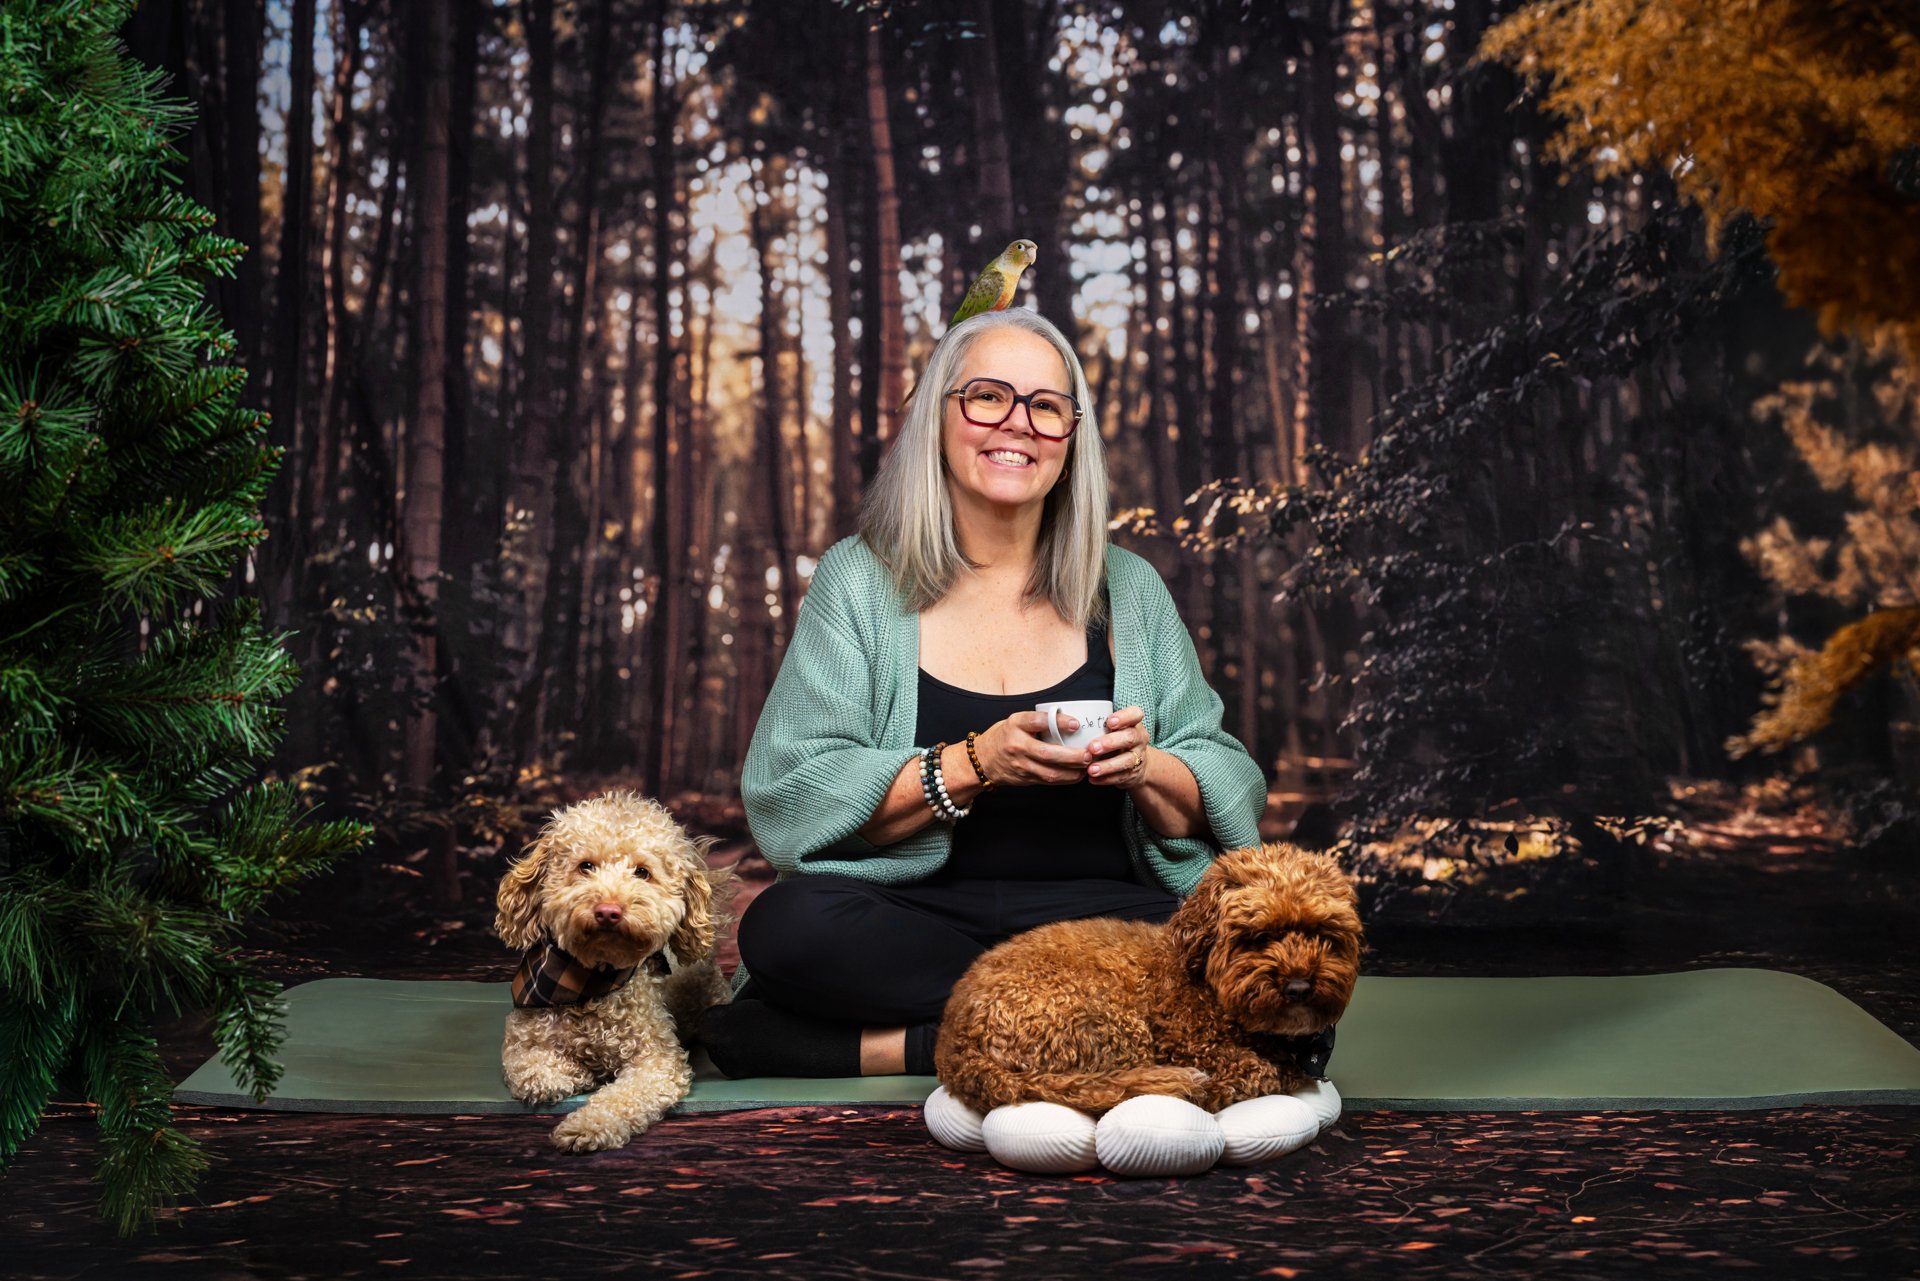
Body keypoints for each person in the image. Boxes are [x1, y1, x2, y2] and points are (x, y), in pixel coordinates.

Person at [700, 307, 1267, 1080]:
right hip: (914, 919)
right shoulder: (859, 578)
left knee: (1261, 955)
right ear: (941, 416)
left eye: (1045, 405)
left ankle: (927, 1045)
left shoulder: (1128, 588)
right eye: (988, 396)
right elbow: (793, 791)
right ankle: (1074, 1035)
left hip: (1102, 923)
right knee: (785, 928)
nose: (1019, 424)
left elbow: (1227, 774)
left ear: (1071, 439)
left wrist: (1148, 767)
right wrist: (972, 762)